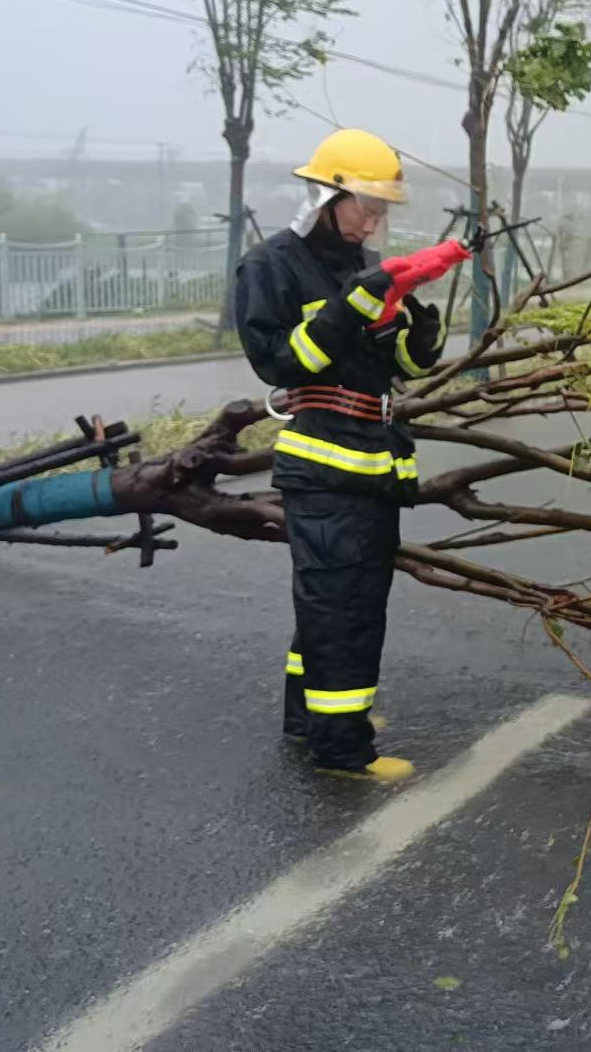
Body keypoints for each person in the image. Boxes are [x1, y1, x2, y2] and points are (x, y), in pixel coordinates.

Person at [234, 127, 461, 782]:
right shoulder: (270, 265)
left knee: (338, 600)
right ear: (327, 197)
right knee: (343, 607)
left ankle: (311, 716)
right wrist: (350, 307)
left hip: (373, 462)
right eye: (366, 205)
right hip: (325, 463)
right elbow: (281, 363)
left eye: (382, 209)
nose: (374, 220)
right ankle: (341, 748)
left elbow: (389, 367)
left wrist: (421, 339)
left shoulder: (361, 266)